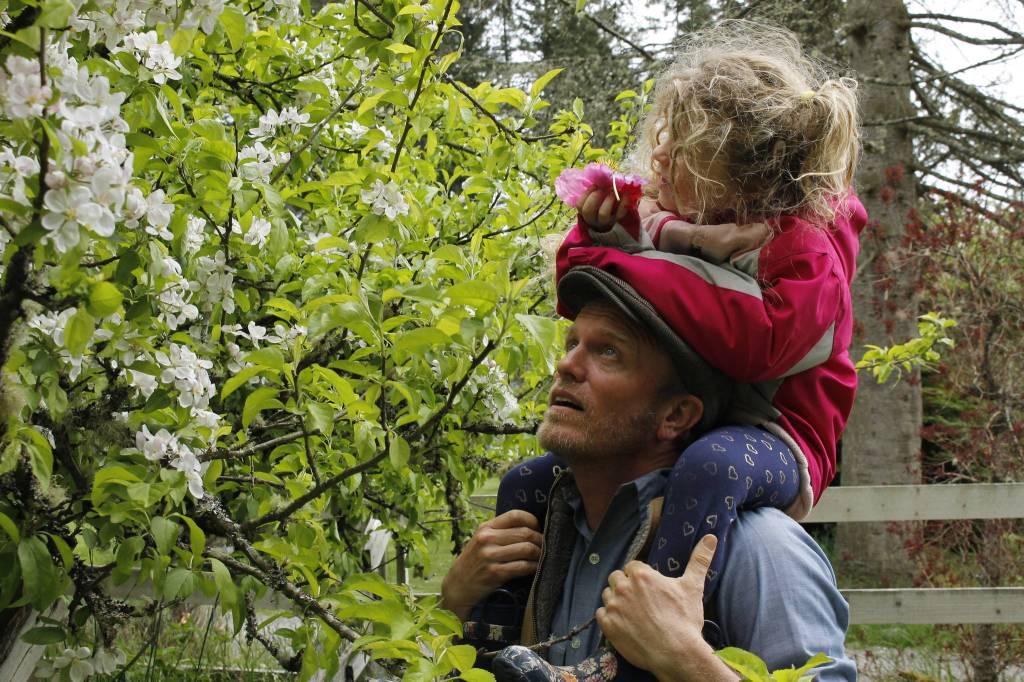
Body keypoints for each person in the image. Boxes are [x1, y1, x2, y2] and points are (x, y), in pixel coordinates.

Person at [498, 23, 866, 679]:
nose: (660, 161)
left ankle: (635, 655)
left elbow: (759, 344)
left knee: (709, 465)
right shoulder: (575, 520)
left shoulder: (806, 252)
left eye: (685, 154)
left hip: (782, 437)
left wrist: (684, 659)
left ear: (742, 177)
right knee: (522, 479)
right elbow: (575, 279)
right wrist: (600, 228)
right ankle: (497, 646)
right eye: (663, 142)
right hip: (713, 420)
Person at [442, 267, 856, 682]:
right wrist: (451, 606)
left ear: (675, 415)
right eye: (572, 344)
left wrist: (686, 660)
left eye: (609, 352)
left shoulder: (756, 546)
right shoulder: (537, 532)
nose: (567, 365)